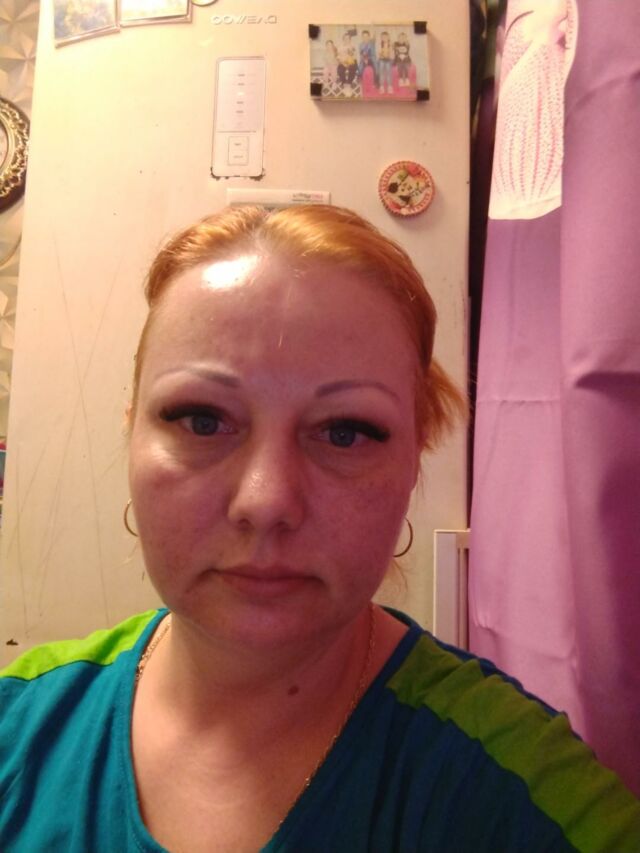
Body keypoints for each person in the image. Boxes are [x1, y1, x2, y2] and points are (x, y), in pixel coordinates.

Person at [0, 205, 639, 852]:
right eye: (201, 419)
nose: (266, 501)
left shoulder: (512, 787)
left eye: (345, 432)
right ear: (132, 431)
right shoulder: (17, 721)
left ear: (414, 460)